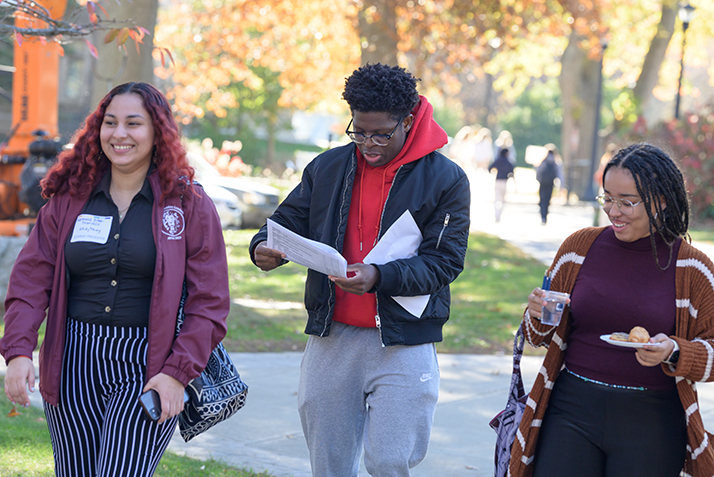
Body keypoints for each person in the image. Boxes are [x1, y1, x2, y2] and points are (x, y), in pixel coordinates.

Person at [249, 63, 470, 476]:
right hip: (333, 336)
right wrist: (263, 245)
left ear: (408, 120)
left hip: (403, 340)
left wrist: (379, 277)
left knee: (389, 461)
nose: (368, 144)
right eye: (359, 131)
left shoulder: (446, 179)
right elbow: (285, 221)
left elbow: (445, 261)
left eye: (381, 134)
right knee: (329, 464)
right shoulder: (328, 168)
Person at [0, 82, 230, 477]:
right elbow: (30, 280)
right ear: (97, 129)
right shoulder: (69, 199)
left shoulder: (188, 203)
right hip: (72, 362)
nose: (119, 134)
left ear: (158, 132)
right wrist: (19, 351)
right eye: (110, 122)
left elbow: (209, 303)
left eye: (133, 123)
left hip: (150, 366)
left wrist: (177, 375)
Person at [509, 143, 714, 476]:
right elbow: (537, 336)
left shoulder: (693, 269)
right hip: (571, 409)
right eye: (608, 198)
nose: (614, 211)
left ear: (660, 202)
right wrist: (536, 312)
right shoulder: (578, 248)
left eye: (627, 202)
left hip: (652, 420)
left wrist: (675, 352)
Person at [535, 144, 562, 224]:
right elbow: (560, 174)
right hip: (550, 183)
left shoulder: (543, 160)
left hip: (543, 183)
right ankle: (545, 216)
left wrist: (538, 180)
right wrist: (561, 185)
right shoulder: (556, 161)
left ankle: (542, 215)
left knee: (542, 199)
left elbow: (538, 171)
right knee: (547, 200)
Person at [488, 147, 515, 222]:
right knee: (503, 200)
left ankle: (497, 215)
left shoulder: (498, 160)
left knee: (497, 198)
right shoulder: (508, 162)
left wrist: (493, 172)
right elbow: (512, 173)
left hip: (498, 181)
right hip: (504, 181)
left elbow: (490, 167)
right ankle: (499, 214)